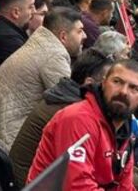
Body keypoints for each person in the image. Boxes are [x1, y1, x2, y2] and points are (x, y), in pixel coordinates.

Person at [26, 60, 138, 188]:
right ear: (103, 82)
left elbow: (125, 185)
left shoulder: (124, 130)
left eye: (134, 88)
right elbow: (77, 185)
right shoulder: (77, 118)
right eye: (117, 82)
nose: (124, 91)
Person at [0, 7, 86, 151]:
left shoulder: (42, 42)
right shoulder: (53, 55)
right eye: (80, 31)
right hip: (11, 140)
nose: (85, 36)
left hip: (1, 128)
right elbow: (72, 105)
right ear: (63, 36)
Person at [9, 48, 113, 186]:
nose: (117, 90)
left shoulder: (65, 95)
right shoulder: (72, 115)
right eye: (112, 81)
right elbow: (81, 176)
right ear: (89, 83)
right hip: (30, 184)